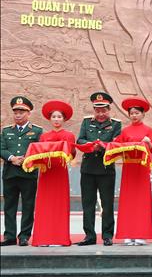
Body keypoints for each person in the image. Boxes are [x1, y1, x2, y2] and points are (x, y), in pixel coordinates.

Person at [77, 92, 121, 246]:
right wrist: (91, 145)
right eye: (97, 110)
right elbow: (80, 140)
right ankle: (89, 235)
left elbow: (116, 144)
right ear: (94, 110)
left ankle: (107, 235)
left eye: (104, 110)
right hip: (88, 169)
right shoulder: (86, 122)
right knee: (88, 204)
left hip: (106, 169)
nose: (100, 114)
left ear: (109, 110)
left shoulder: (116, 124)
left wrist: (101, 146)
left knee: (107, 204)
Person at [29, 100, 76, 246]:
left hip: (60, 173)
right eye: (54, 117)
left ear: (64, 119)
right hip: (46, 173)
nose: (56, 119)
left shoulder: (68, 135)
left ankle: (60, 238)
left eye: (59, 117)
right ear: (50, 119)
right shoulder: (44, 136)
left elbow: (72, 153)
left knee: (59, 205)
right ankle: (43, 238)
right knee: (45, 206)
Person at [113, 97, 152, 246]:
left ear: (143, 114)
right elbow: (117, 146)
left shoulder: (148, 130)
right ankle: (127, 234)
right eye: (132, 113)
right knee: (128, 201)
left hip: (142, 168)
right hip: (129, 169)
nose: (134, 115)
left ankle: (140, 234)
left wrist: (149, 143)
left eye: (137, 113)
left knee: (142, 202)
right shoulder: (125, 131)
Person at [1, 97, 42, 246]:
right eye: (16, 112)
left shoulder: (37, 131)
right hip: (10, 173)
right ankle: (10, 236)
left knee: (28, 205)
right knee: (9, 206)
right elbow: (2, 148)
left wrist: (26, 158)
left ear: (28, 113)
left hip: (28, 173)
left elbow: (40, 149)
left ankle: (24, 236)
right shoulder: (6, 131)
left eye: (21, 112)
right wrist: (12, 158)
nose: (18, 115)